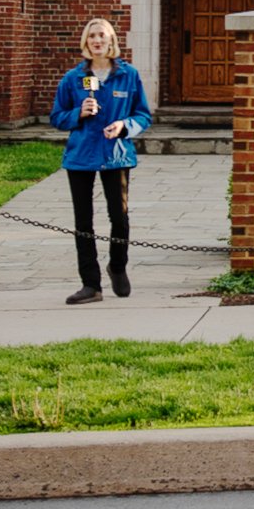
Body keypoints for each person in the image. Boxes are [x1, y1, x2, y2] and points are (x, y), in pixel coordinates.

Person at [50, 16, 151, 304]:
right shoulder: (72, 79)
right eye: (92, 36)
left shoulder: (128, 75)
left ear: (111, 41)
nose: (97, 40)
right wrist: (78, 113)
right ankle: (90, 284)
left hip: (116, 155)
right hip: (81, 155)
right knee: (84, 221)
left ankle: (117, 266)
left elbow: (143, 115)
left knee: (119, 217)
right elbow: (57, 117)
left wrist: (123, 126)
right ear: (86, 42)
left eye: (102, 36)